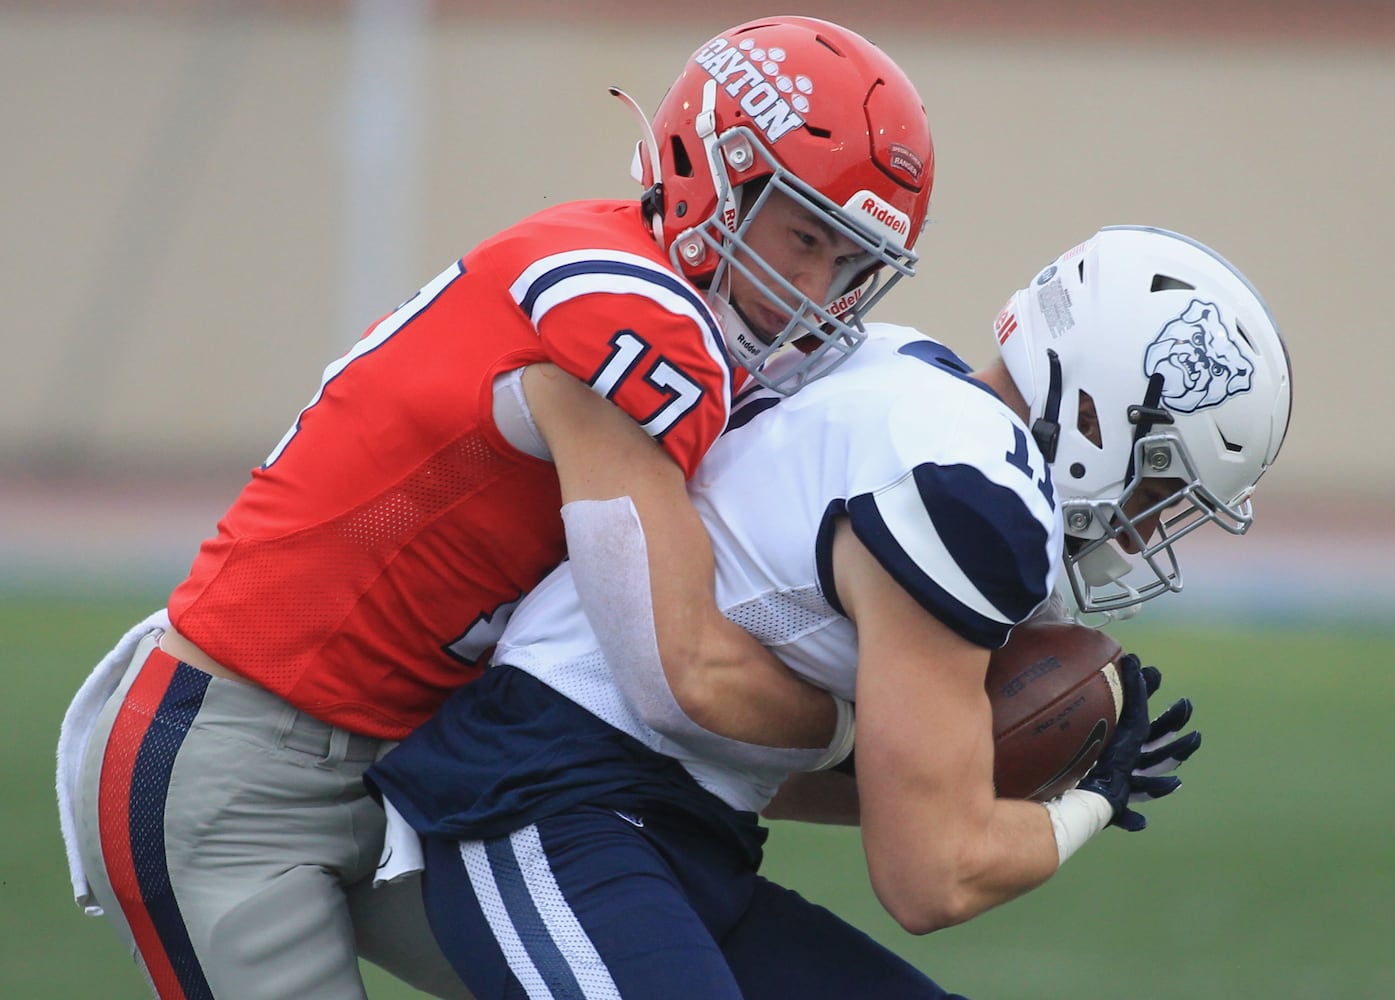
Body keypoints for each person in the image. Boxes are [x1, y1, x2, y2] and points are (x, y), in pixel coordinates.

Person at [57, 16, 935, 1000]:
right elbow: (679, 671)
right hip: (234, 758)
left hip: (419, 764)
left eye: (848, 261)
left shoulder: (631, 281)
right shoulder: (636, 328)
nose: (815, 288)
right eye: (805, 236)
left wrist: (933, 754)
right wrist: (896, 736)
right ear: (713, 171)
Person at [365, 225, 1295, 999]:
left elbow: (798, 759)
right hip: (544, 797)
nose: (1138, 530)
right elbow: (931, 875)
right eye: (1157, 487)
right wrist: (1088, 804)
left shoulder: (905, 373)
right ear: (1099, 414)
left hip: (674, 820)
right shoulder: (974, 496)